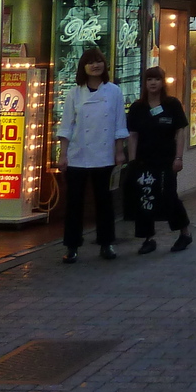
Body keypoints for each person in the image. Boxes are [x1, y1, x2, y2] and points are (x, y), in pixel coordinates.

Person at [56, 45, 128, 263]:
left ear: (104, 65)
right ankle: (72, 246)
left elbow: (119, 125)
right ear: (83, 67)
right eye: (90, 62)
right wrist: (63, 154)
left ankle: (107, 244)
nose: (95, 65)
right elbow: (66, 126)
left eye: (98, 61)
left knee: (104, 202)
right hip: (78, 154)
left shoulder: (114, 91)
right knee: (74, 202)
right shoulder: (74, 92)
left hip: (104, 155)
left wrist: (119, 152)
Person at [125, 66, 192, 254]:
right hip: (144, 160)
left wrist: (178, 157)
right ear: (144, 83)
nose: (153, 83)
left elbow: (180, 131)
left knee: (169, 195)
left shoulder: (172, 104)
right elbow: (133, 135)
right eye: (149, 80)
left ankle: (184, 233)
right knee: (145, 196)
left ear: (163, 82)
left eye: (156, 79)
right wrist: (132, 161)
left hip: (166, 159)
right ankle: (148, 238)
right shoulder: (138, 107)